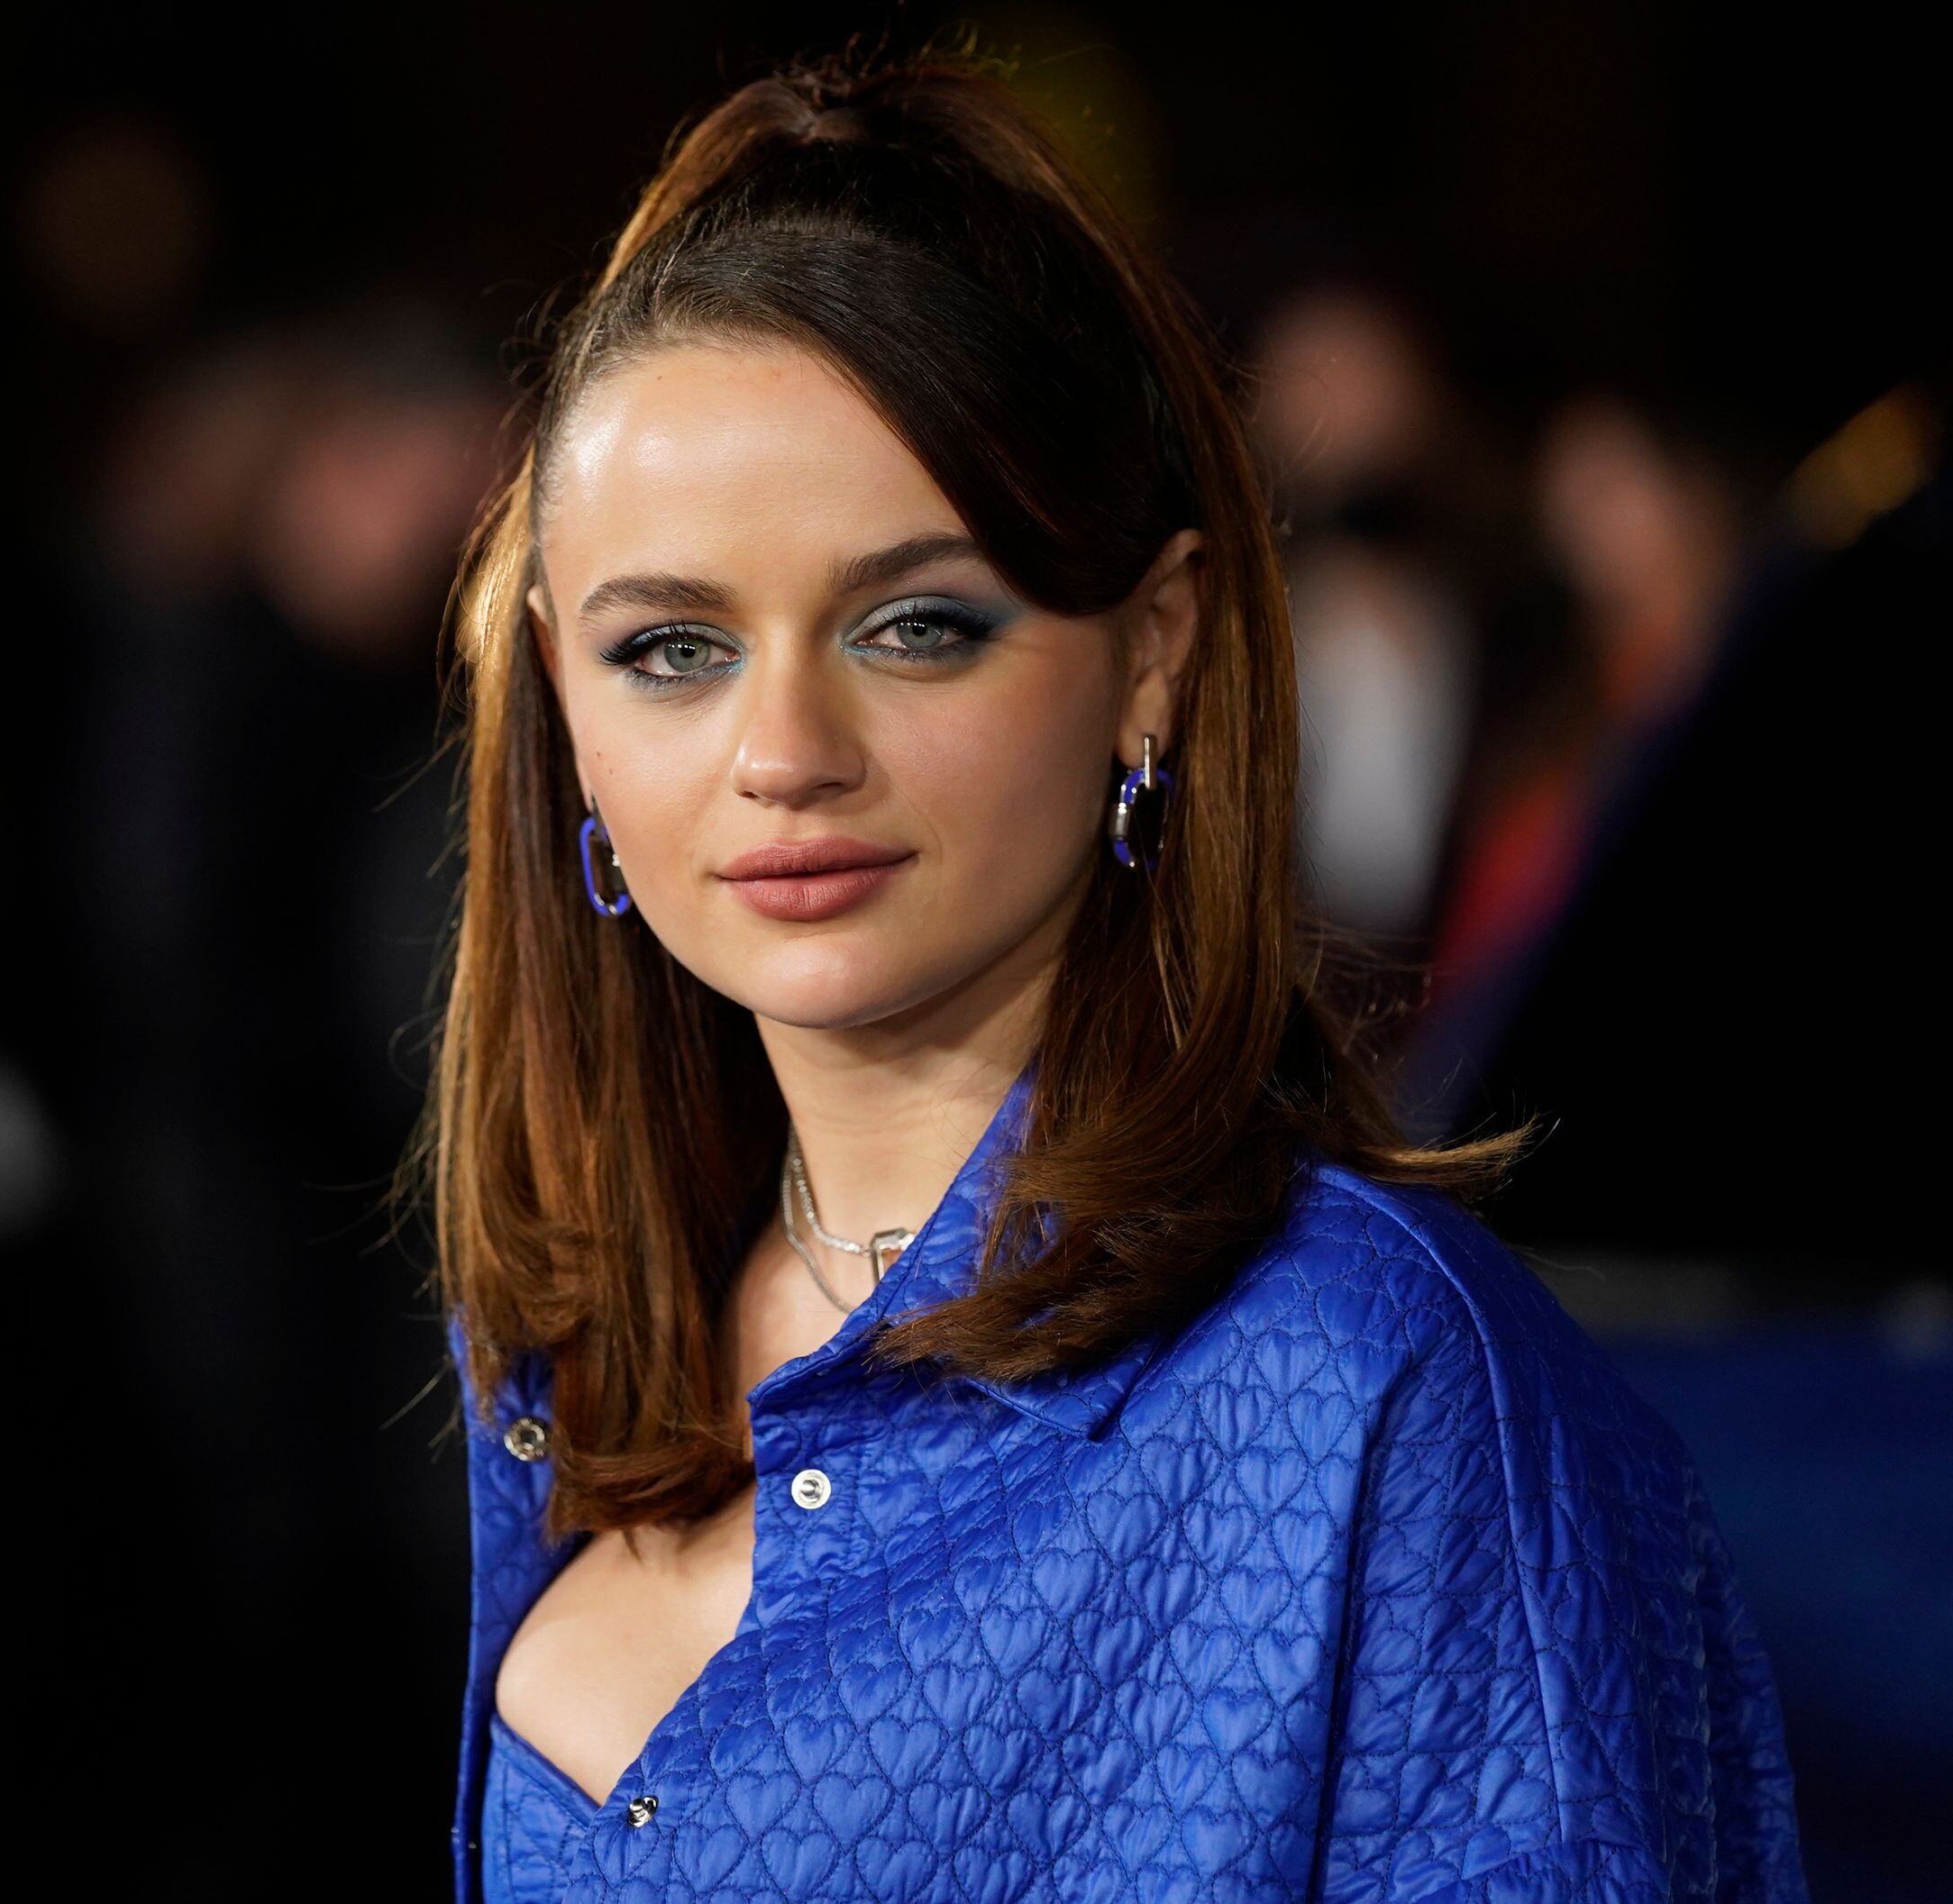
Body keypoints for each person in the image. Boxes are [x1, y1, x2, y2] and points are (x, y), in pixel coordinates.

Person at [415, 56, 1804, 1904]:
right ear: (560, 696)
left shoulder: (1377, 1391)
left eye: (917, 623)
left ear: (1153, 651)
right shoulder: (581, 1328)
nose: (786, 753)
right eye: (672, 646)